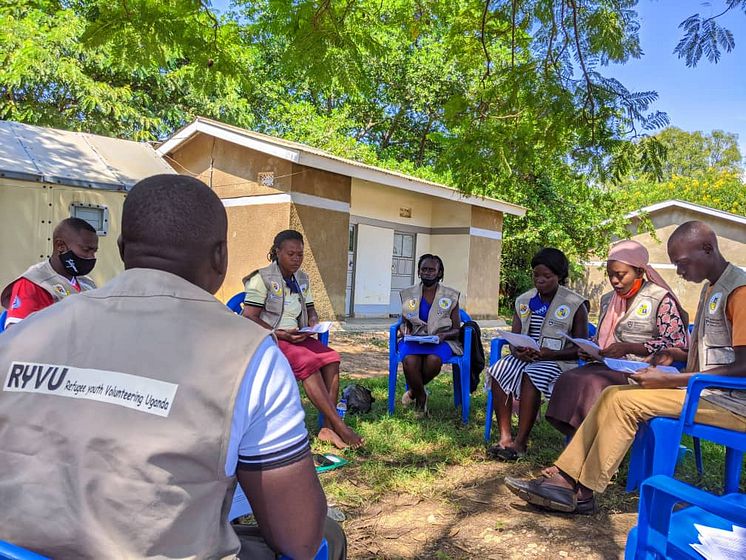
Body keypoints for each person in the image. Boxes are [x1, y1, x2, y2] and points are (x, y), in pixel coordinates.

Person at [0, 175, 346, 560]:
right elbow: (298, 539)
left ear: (121, 248)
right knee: (326, 537)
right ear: (220, 256)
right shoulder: (249, 356)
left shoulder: (22, 336)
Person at [505, 221, 746, 515]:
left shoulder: (739, 290)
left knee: (624, 402)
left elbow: (743, 369)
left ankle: (581, 490)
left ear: (707, 248)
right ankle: (567, 477)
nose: (679, 272)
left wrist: (673, 378)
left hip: (730, 404)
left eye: (681, 263)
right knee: (611, 395)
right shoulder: (713, 288)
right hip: (705, 393)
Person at [546, 239, 689, 438]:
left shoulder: (660, 299)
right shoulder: (608, 300)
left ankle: (594, 448)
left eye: (620, 275)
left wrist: (630, 347)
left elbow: (677, 344)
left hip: (642, 370)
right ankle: (582, 443)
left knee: (594, 383)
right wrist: (591, 349)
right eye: (611, 275)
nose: (614, 281)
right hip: (609, 364)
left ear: (639, 272)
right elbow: (604, 337)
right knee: (570, 378)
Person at [242, 230, 363, 449]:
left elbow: (310, 308)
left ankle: (327, 428)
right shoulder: (262, 278)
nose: (296, 259)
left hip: (297, 336)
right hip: (273, 338)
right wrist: (281, 333)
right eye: (291, 254)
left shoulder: (302, 279)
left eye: (300, 254)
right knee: (309, 364)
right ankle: (341, 427)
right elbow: (249, 317)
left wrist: (313, 321)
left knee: (332, 358)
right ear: (277, 252)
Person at [486, 248, 589, 460]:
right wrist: (517, 351)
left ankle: (521, 442)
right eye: (536, 275)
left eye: (547, 276)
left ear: (560, 276)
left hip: (559, 362)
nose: (540, 280)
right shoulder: (523, 300)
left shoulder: (575, 304)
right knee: (498, 370)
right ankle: (505, 438)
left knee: (531, 375)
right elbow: (514, 338)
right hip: (527, 357)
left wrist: (551, 354)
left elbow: (580, 348)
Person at [1, 217, 98, 328]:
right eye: (86, 250)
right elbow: (17, 336)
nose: (91, 257)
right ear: (60, 246)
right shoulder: (33, 283)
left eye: (94, 251)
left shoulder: (87, 283)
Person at [398, 254, 461, 417]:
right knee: (410, 361)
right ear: (419, 272)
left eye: (432, 270)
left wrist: (443, 335)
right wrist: (405, 329)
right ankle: (421, 397)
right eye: (424, 269)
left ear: (440, 273)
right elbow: (404, 322)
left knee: (433, 360)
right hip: (415, 339)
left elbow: (457, 329)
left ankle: (413, 393)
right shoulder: (408, 294)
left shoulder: (450, 296)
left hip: (441, 341)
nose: (427, 273)